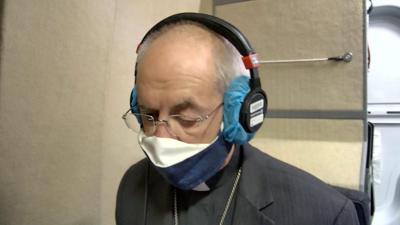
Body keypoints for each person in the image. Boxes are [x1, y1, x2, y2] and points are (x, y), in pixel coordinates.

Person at [116, 13, 360, 225]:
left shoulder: (326, 214)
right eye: (149, 115)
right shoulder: (132, 186)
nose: (160, 138)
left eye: (187, 118)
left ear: (238, 113)